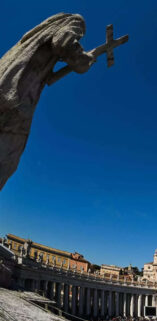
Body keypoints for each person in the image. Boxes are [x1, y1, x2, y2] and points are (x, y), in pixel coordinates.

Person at [0, 13, 94, 190]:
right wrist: (84, 61)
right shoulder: (74, 21)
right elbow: (64, 42)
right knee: (6, 159)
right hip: (16, 98)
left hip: (4, 85)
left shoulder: (31, 41)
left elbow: (48, 78)